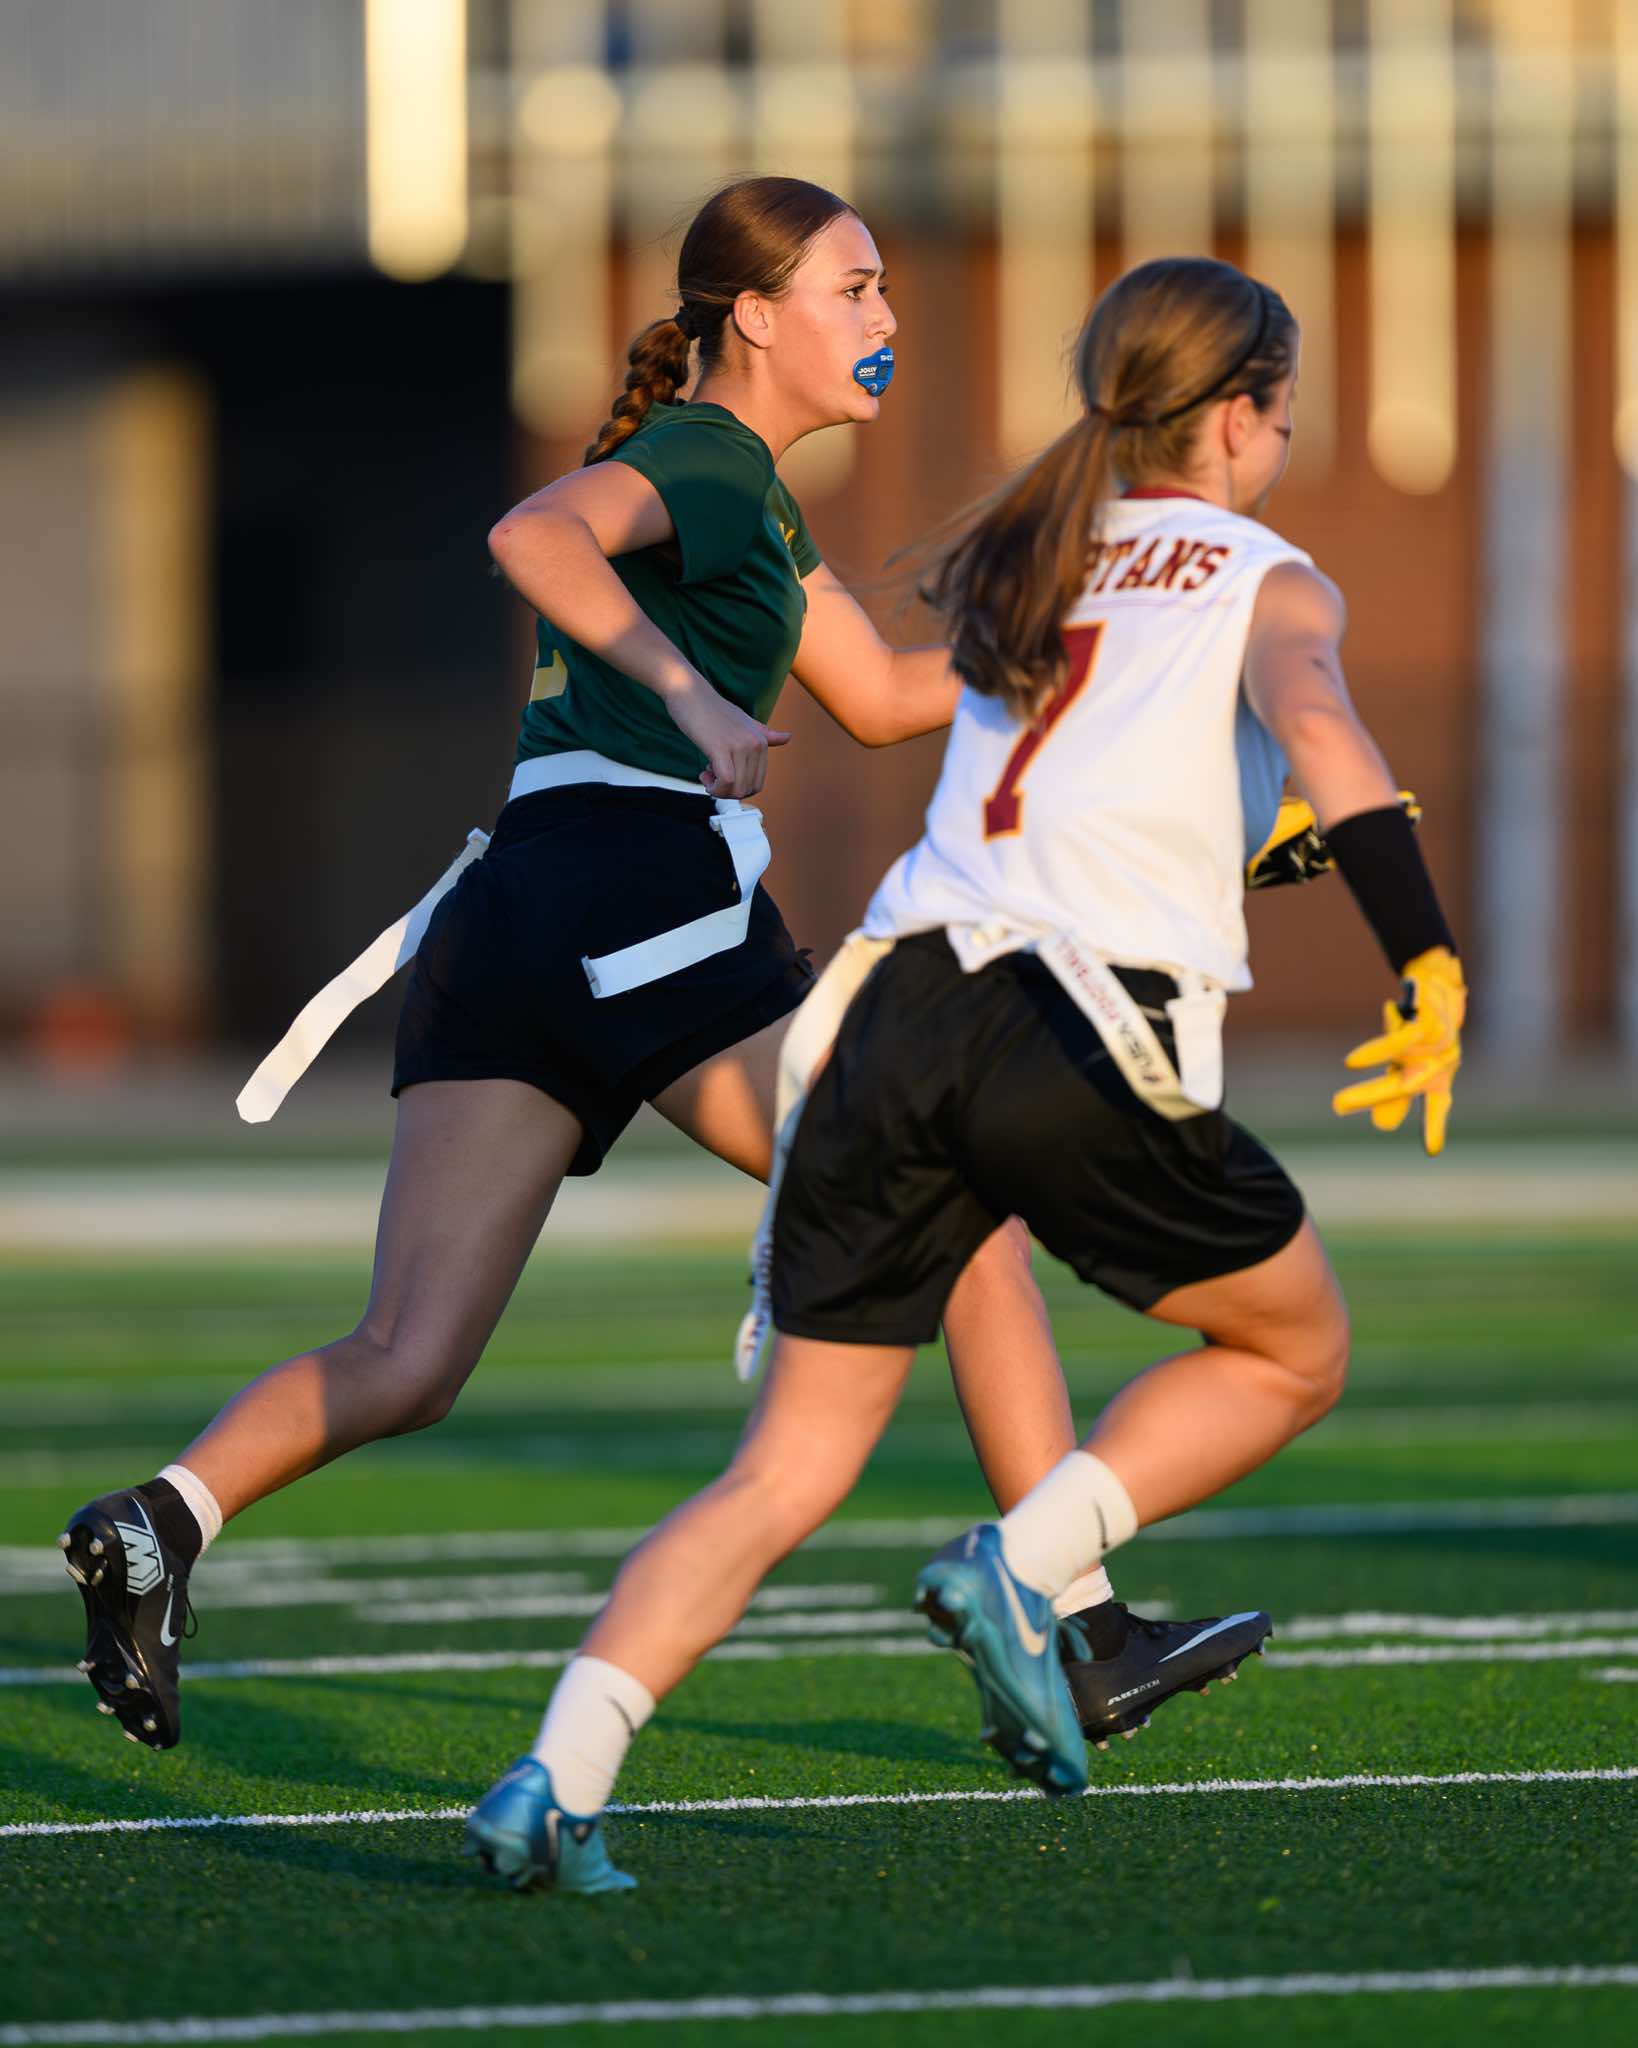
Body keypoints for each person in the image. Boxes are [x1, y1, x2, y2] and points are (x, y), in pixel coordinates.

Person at [58, 182, 1259, 1760]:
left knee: (408, 1355)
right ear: (752, 315)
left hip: (516, 914)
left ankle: (161, 1519)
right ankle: (1080, 1624)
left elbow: (885, 697)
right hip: (632, 895)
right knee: (956, 1196)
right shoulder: (706, 456)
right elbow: (531, 534)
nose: (885, 316)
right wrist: (689, 695)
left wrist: (1099, 650)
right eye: (853, 287)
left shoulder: (752, 500)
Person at [463, 253, 1464, 1892]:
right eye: (1281, 418)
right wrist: (1421, 955)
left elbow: (1088, 792)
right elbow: (1329, 742)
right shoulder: (1265, 571)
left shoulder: (1029, 562)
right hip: (1071, 1022)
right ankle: (1029, 1563)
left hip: (884, 1013)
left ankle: (551, 1778)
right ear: (1237, 417)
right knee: (1292, 1347)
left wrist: (1244, 851)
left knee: (785, 1469)